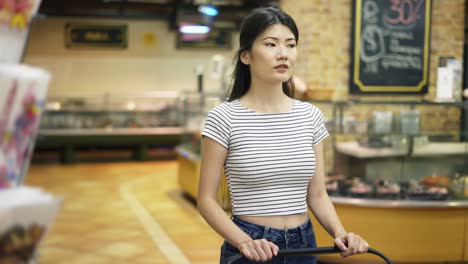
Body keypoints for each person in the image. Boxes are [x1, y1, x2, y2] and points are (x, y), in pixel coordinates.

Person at [197, 6, 369, 264]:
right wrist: (244, 241)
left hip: (303, 243)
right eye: (270, 44)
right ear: (246, 56)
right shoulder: (224, 118)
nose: (283, 54)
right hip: (251, 245)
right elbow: (206, 200)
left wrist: (340, 232)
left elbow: (317, 194)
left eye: (290, 45)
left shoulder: (310, 116)